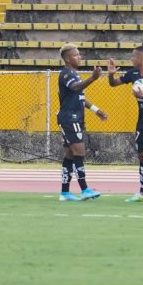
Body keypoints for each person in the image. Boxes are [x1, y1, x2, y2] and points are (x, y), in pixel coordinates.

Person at [107, 46, 143, 204]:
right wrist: (111, 74)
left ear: (142, 58)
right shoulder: (132, 74)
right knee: (142, 155)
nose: (131, 59)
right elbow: (113, 84)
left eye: (134, 56)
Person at [57, 44, 108, 202]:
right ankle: (85, 189)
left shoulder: (74, 73)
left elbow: (79, 95)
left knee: (70, 155)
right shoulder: (66, 74)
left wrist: (95, 109)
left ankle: (65, 193)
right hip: (70, 118)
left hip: (76, 118)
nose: (79, 57)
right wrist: (93, 78)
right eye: (76, 55)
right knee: (79, 152)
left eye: (79, 55)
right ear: (67, 58)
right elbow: (76, 87)